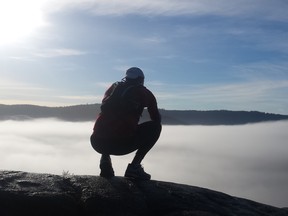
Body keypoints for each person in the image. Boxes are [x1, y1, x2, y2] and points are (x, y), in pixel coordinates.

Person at [90, 67, 162, 180]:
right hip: (121, 145)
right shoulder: (144, 92)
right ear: (141, 79)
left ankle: (105, 160)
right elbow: (156, 119)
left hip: (96, 142)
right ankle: (134, 167)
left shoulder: (113, 88)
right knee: (156, 127)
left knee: (107, 127)